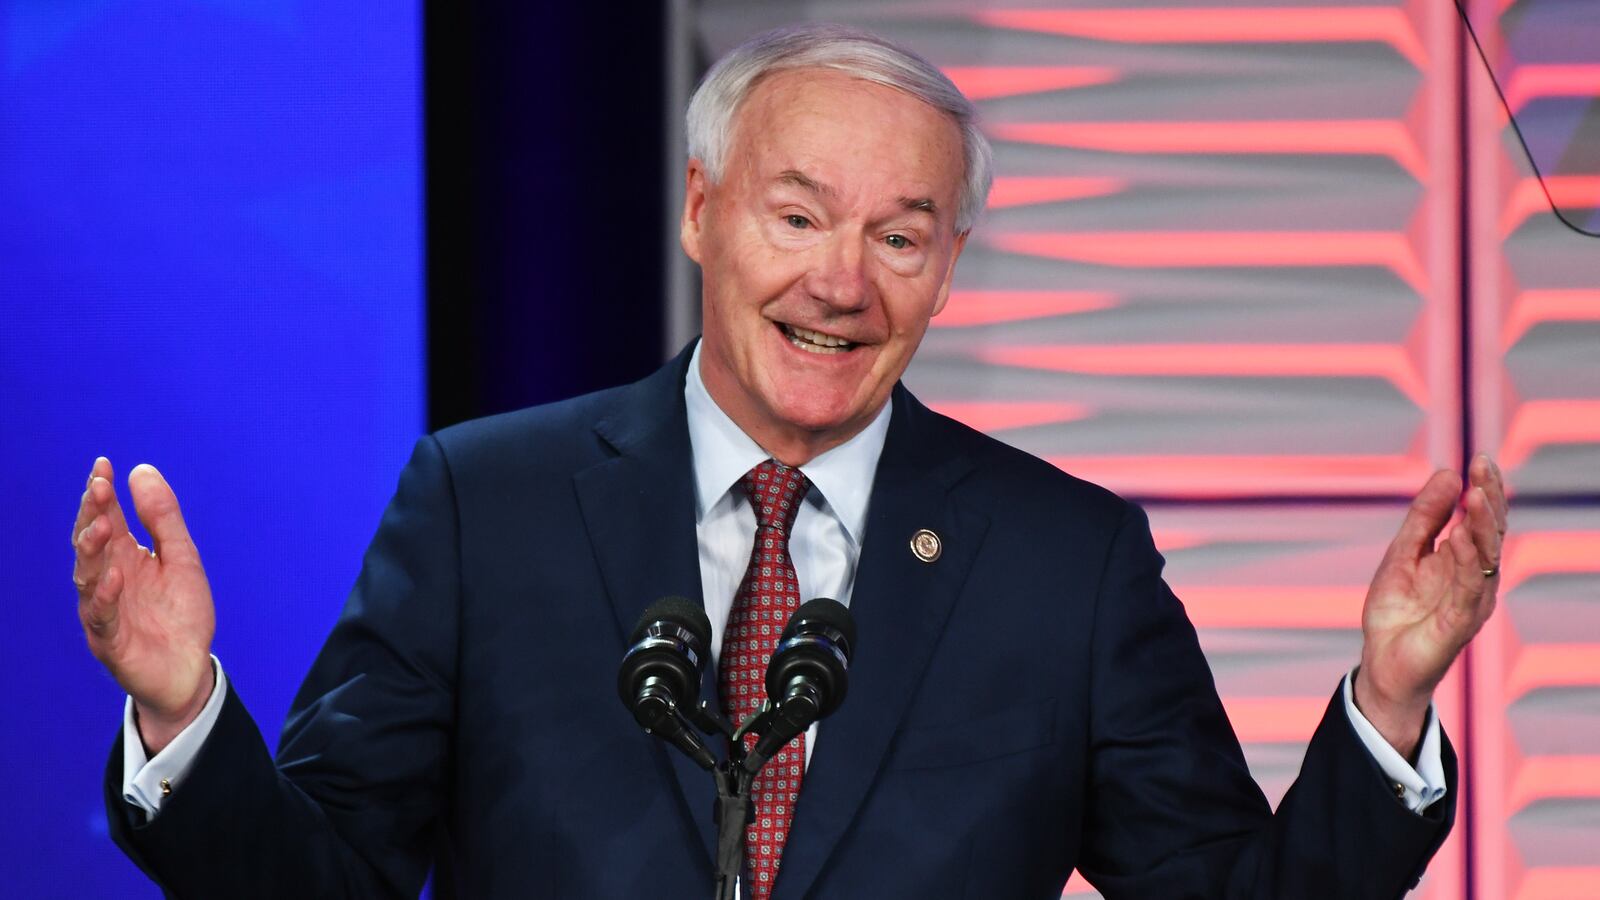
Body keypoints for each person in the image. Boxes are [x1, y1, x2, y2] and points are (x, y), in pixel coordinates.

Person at [71, 24, 1507, 899]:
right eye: (798, 216)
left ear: (947, 271)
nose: (842, 283)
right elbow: (324, 886)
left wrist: (1389, 696)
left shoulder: (1066, 562)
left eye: (899, 236)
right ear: (701, 212)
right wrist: (184, 709)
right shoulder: (483, 504)